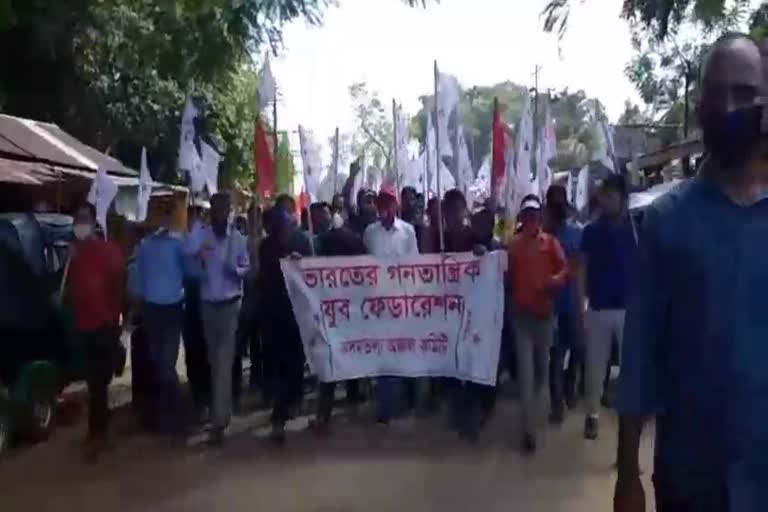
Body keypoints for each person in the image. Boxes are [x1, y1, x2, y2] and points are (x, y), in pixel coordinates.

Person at [615, 34, 767, 512]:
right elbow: (640, 355)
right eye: (716, 91)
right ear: (700, 105)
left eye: (743, 92)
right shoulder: (666, 222)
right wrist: (627, 476)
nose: (728, 105)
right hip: (691, 481)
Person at [186, 193, 250, 446]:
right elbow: (187, 249)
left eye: (225, 210)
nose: (221, 215)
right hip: (208, 306)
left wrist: (235, 270)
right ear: (211, 212)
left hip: (230, 305)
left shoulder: (238, 239)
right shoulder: (203, 236)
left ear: (230, 211)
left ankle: (219, 421)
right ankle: (222, 411)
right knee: (215, 364)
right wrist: (198, 241)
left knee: (222, 365)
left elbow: (247, 268)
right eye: (216, 210)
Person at [579, 173, 637, 441]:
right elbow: (581, 269)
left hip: (630, 309)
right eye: (603, 195)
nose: (605, 200)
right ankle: (592, 415)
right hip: (599, 308)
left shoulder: (637, 228)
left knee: (632, 368)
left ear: (622, 198)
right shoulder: (591, 231)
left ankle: (631, 417)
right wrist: (582, 304)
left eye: (611, 195)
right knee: (595, 367)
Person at [507, 195, 567, 454]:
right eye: (527, 216)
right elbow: (503, 272)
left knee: (543, 372)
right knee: (526, 374)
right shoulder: (513, 246)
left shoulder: (550, 243)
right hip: (522, 318)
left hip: (544, 317)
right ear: (522, 219)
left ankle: (536, 417)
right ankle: (528, 430)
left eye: (534, 215)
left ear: (539, 218)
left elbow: (565, 269)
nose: (531, 220)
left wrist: (554, 281)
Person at [67, 203, 124, 460]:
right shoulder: (74, 255)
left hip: (104, 325)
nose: (80, 223)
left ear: (93, 222)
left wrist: (117, 319)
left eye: (85, 218)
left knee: (97, 383)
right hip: (83, 326)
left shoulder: (106, 251)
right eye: (77, 219)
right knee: (94, 383)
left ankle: (97, 434)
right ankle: (101, 430)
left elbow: (117, 285)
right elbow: (69, 291)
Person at [258, 197, 313, 443]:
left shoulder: (302, 241)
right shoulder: (266, 246)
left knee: (294, 361)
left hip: (296, 310)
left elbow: (313, 271)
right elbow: (262, 276)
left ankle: (289, 403)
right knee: (284, 362)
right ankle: (282, 410)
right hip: (274, 311)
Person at [363, 185, 419, 424]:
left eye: (389, 202)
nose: (385, 207)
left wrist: (412, 298)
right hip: (378, 304)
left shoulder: (408, 232)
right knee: (384, 354)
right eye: (381, 202)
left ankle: (406, 400)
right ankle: (386, 406)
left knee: (403, 352)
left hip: (402, 302)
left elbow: (416, 266)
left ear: (396, 205)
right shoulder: (370, 233)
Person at [312, 208, 368, 432]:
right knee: (351, 351)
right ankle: (354, 395)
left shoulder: (320, 242)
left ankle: (324, 413)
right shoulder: (355, 240)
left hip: (329, 306)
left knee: (331, 357)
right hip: (352, 305)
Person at [136, 202, 189, 436]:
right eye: (158, 216)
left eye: (165, 216)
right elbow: (140, 277)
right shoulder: (145, 246)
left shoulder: (179, 245)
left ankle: (177, 415)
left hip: (172, 309)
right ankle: (167, 414)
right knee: (158, 364)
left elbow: (188, 273)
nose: (162, 222)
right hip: (152, 310)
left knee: (166, 365)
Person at [543, 184, 584, 424]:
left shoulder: (576, 234)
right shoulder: (542, 237)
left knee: (578, 350)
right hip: (550, 307)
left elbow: (580, 270)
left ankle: (570, 386)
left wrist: (581, 306)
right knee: (556, 357)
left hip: (572, 304)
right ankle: (557, 404)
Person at [182, 206, 210, 420]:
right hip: (186, 295)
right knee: (192, 346)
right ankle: (196, 394)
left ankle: (205, 397)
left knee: (204, 345)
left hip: (205, 292)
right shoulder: (179, 236)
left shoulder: (206, 235)